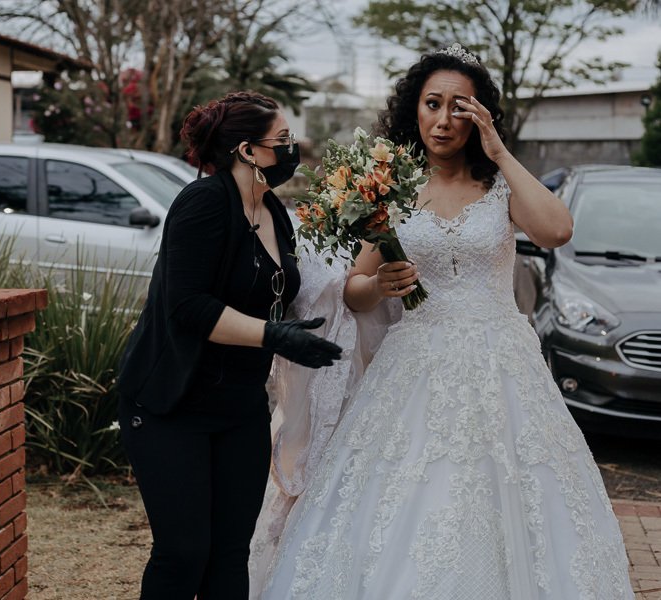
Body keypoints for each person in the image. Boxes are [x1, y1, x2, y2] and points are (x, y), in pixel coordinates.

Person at [254, 44, 634, 599]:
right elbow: (356, 293)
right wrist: (378, 285)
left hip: (504, 365)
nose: (444, 118)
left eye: (461, 107)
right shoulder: (391, 189)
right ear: (416, 109)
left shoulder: (501, 187)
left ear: (480, 117)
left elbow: (556, 231)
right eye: (433, 103)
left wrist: (501, 153)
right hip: (416, 366)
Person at [117, 91, 342, 600]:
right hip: (170, 404)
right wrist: (272, 334)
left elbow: (279, 289)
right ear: (247, 150)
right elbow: (187, 306)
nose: (292, 148)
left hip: (239, 407)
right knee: (184, 553)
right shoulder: (203, 203)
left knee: (229, 555)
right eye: (282, 140)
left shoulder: (273, 212)